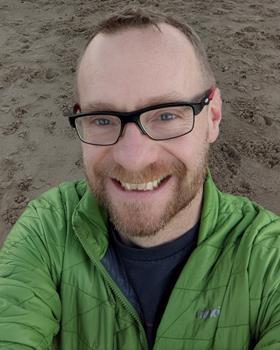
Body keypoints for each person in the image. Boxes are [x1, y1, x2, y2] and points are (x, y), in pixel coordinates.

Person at [0, 6, 280, 350]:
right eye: (103, 119)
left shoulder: (268, 259)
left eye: (166, 115)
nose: (134, 158)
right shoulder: (46, 232)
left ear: (213, 116)